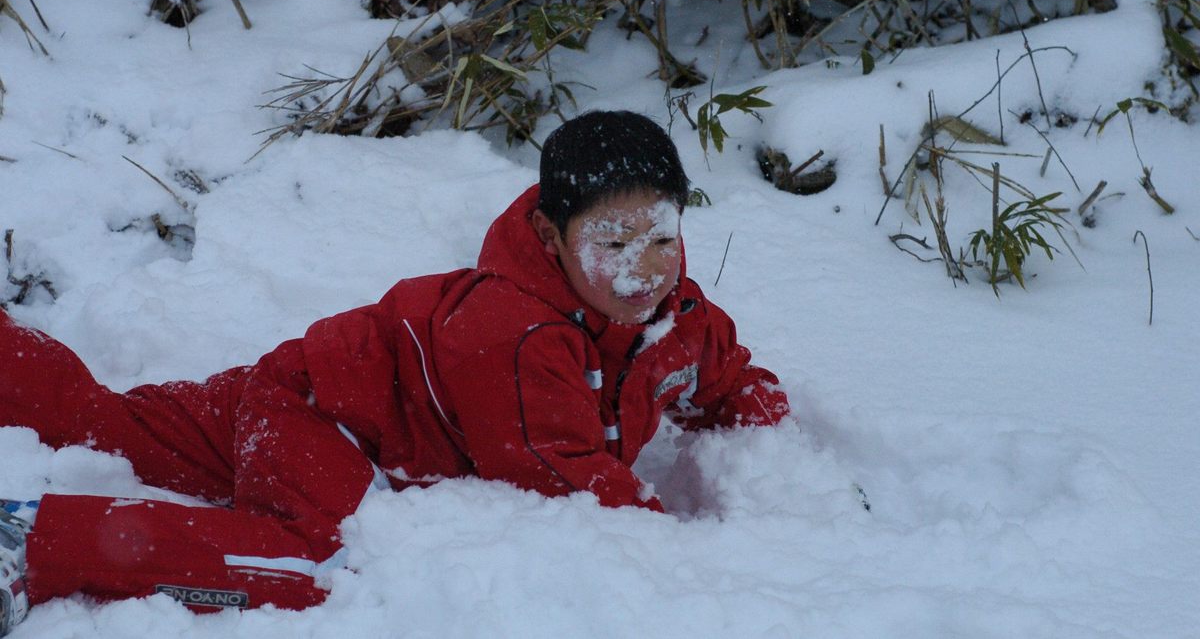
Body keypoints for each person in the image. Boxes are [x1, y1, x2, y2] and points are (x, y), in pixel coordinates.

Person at [0, 110, 789, 632]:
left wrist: (772, 453)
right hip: (333, 426)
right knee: (309, 562)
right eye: (612, 245)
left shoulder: (677, 315)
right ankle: (28, 542)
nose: (642, 271)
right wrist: (689, 556)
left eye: (660, 238)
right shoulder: (520, 334)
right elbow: (563, 475)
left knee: (101, 422)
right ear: (550, 234)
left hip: (305, 382)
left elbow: (726, 380)